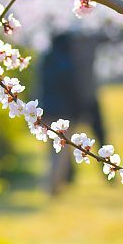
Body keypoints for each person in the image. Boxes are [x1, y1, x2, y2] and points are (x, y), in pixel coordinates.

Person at [38, 30, 108, 195]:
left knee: (53, 151)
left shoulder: (46, 59)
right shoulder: (68, 63)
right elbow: (73, 90)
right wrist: (81, 110)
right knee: (61, 154)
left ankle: (53, 185)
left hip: (46, 111)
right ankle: (53, 187)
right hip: (63, 113)